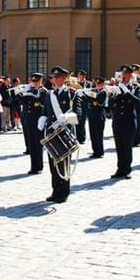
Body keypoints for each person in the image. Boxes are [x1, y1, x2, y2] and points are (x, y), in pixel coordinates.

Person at [38, 66, 81, 204]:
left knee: (63, 163)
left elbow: (78, 114)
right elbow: (45, 111)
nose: (54, 80)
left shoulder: (71, 94)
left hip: (64, 133)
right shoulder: (49, 94)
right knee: (53, 164)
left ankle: (64, 192)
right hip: (51, 132)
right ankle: (55, 190)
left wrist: (67, 117)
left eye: (57, 77)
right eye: (53, 77)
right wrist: (42, 119)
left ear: (64, 78)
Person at [109, 65, 140, 179]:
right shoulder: (116, 87)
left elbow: (138, 102)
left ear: (130, 75)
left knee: (127, 146)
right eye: (121, 74)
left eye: (125, 74)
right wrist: (112, 95)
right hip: (118, 120)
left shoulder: (135, 87)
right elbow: (110, 105)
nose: (123, 76)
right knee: (119, 146)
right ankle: (120, 169)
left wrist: (126, 91)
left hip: (129, 121)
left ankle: (127, 169)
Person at [20, 73, 46, 174]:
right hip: (29, 120)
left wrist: (34, 96)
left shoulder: (43, 92)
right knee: (31, 144)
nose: (34, 83)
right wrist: (21, 95)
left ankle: (39, 166)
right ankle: (33, 166)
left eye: (36, 81)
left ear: (41, 81)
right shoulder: (29, 90)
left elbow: (42, 105)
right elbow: (24, 103)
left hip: (38, 120)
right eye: (33, 81)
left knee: (38, 144)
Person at [86, 77, 108, 158]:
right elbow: (88, 98)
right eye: (96, 83)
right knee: (93, 134)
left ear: (102, 84)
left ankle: (100, 152)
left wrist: (91, 98)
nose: (97, 85)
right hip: (92, 114)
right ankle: (95, 151)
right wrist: (92, 99)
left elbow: (99, 100)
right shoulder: (94, 91)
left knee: (99, 134)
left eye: (99, 83)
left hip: (99, 115)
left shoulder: (103, 92)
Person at [75, 70, 92, 144]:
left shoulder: (88, 83)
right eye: (79, 76)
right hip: (77, 104)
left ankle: (82, 138)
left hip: (84, 104)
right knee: (76, 121)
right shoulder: (76, 83)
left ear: (84, 76)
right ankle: (77, 137)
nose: (80, 77)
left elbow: (89, 93)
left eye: (81, 76)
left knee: (82, 121)